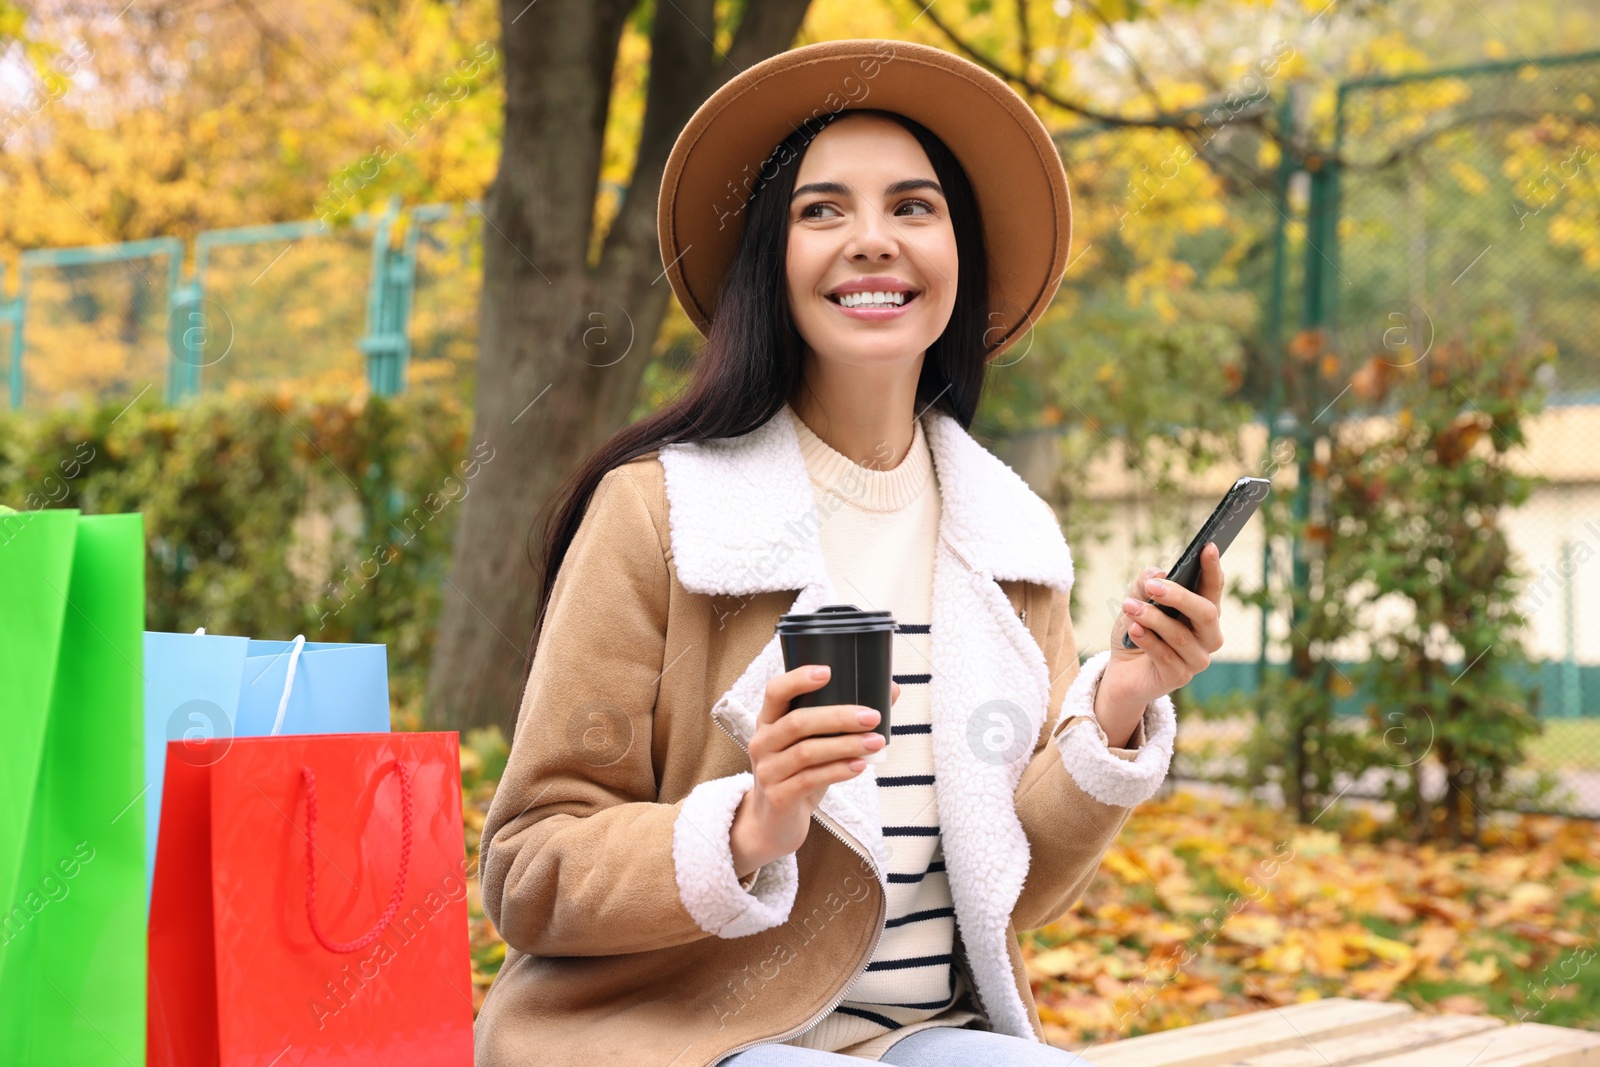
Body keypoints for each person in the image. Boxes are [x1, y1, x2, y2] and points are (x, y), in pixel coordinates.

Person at [473, 39, 1227, 1067]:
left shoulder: (1006, 539)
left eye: (913, 207)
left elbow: (1023, 891)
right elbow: (528, 867)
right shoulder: (658, 513)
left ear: (960, 255)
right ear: (768, 262)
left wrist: (1118, 704)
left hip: (923, 1039)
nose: (872, 240)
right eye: (821, 210)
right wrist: (747, 824)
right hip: (685, 1038)